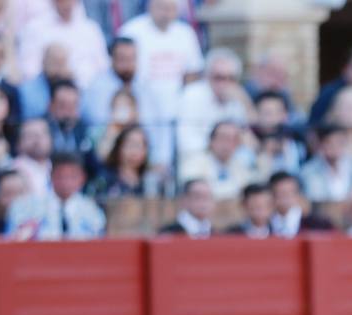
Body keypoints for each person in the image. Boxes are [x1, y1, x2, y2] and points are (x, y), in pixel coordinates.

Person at [117, 0, 203, 161]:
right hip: (141, 103)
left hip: (177, 105)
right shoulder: (132, 30)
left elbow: (193, 72)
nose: (166, 13)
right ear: (150, 6)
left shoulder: (185, 33)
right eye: (162, 8)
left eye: (171, 9)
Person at [175, 47, 251, 165]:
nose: (225, 84)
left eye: (231, 78)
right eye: (219, 78)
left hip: (230, 160)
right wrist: (217, 149)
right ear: (207, 77)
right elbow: (186, 141)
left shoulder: (237, 99)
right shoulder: (192, 95)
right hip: (199, 159)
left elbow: (247, 138)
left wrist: (245, 103)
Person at [5, 149, 104, 238]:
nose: (66, 182)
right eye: (61, 176)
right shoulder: (27, 206)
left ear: (82, 178)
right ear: (51, 176)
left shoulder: (92, 210)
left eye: (72, 176)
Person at [16, 0, 106, 88]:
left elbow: (102, 66)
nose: (67, 3)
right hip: (48, 88)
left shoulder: (91, 29)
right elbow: (29, 69)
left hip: (86, 89)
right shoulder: (34, 28)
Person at [179, 119, 252, 201]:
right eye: (223, 138)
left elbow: (248, 192)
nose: (228, 144)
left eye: (233, 139)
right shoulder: (193, 163)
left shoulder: (241, 166)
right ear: (211, 140)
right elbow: (196, 193)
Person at [300, 123, 352, 205]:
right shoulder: (309, 171)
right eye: (330, 143)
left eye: (339, 142)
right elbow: (315, 198)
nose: (335, 147)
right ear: (321, 144)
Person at [90, 122, 158, 197]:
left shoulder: (151, 182)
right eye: (131, 144)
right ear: (119, 147)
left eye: (139, 145)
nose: (134, 151)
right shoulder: (104, 179)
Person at [267, 170, 333, 237]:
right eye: (281, 193)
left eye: (290, 193)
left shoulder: (318, 224)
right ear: (272, 196)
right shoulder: (265, 224)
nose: (286, 198)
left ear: (298, 194)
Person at [18, 41, 70, 120]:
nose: (58, 66)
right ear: (44, 60)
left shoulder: (72, 89)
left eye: (62, 62)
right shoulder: (27, 89)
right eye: (54, 61)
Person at [11, 114, 51, 195]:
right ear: (19, 143)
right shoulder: (13, 170)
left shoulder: (57, 166)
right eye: (30, 135)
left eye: (42, 134)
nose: (37, 140)